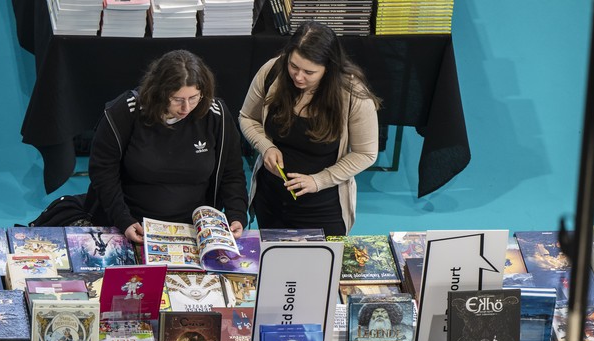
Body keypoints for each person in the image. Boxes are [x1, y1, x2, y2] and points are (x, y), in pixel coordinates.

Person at [85, 49, 248, 243]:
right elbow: (103, 172)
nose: (186, 108)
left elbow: (232, 173)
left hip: (194, 227)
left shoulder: (216, 115)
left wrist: (236, 213)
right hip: (135, 224)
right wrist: (123, 220)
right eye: (177, 100)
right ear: (159, 93)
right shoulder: (124, 111)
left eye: (194, 98)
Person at [240, 21, 381, 235]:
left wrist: (318, 180)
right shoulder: (272, 72)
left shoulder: (353, 96)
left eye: (309, 72)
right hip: (271, 198)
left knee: (322, 266)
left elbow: (366, 153)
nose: (298, 76)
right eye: (293, 66)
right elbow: (247, 117)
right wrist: (266, 146)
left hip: (323, 205)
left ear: (329, 68)